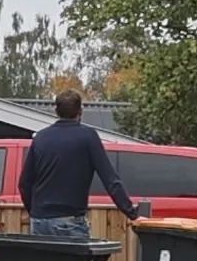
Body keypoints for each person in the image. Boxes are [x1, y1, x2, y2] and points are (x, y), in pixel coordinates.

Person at [18, 89, 141, 237]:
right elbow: (110, 180)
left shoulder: (40, 138)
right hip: (69, 220)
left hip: (40, 221)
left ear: (55, 111)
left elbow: (24, 183)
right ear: (80, 112)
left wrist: (35, 211)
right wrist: (132, 214)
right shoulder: (88, 137)